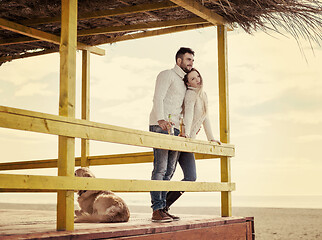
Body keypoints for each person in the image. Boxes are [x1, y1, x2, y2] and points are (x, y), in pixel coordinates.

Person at [164, 68, 221, 212]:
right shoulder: (190, 94)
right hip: (184, 140)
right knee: (168, 173)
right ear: (188, 83)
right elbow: (188, 114)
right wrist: (187, 134)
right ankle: (160, 207)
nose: (197, 80)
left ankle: (165, 204)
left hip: (189, 141)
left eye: (198, 77)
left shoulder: (203, 95)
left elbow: (205, 118)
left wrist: (211, 138)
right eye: (193, 79)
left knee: (190, 177)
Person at [149, 47, 194, 223]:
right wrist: (160, 119)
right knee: (160, 168)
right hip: (160, 125)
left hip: (175, 129)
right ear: (179, 61)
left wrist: (184, 130)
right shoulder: (166, 74)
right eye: (188, 59)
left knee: (169, 170)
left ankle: (162, 208)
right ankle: (156, 210)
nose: (191, 63)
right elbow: (157, 97)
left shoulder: (184, 82)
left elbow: (182, 109)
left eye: (192, 60)